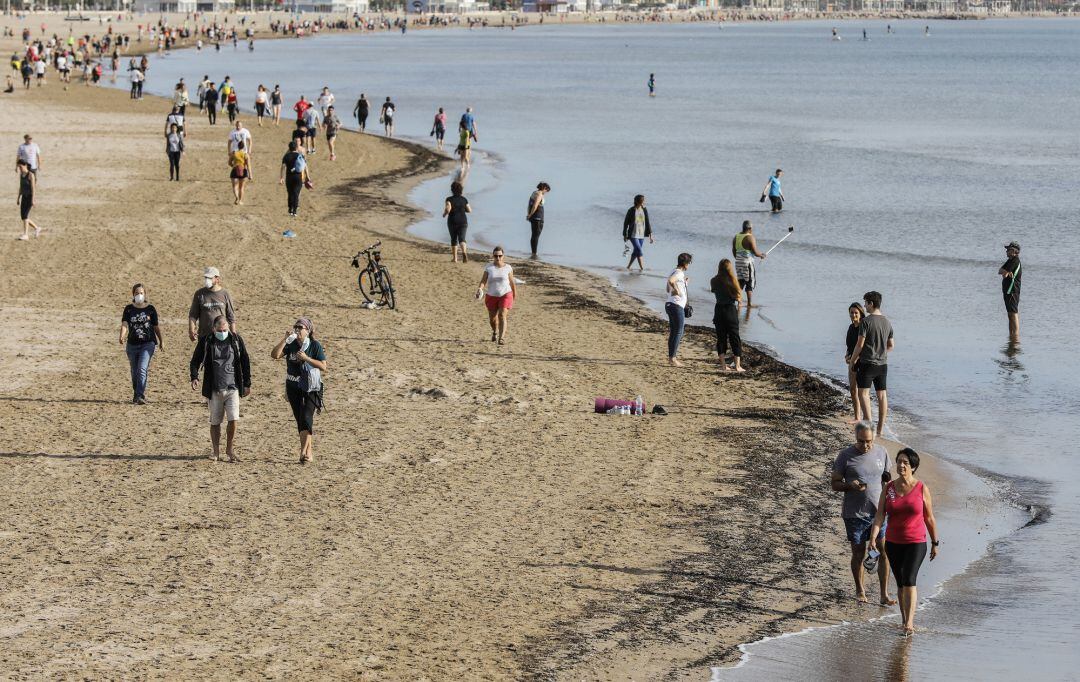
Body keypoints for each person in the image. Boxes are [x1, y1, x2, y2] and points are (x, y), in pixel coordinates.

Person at [868, 448, 939, 636]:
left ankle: (909, 623)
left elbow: (929, 518)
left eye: (905, 462)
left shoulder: (922, 488)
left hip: (916, 542)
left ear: (913, 467)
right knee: (900, 583)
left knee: (909, 579)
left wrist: (935, 542)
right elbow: (879, 516)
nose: (901, 465)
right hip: (893, 543)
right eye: (899, 461)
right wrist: (873, 537)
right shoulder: (889, 488)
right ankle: (903, 619)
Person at [830, 422, 895, 606]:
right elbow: (834, 483)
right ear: (855, 438)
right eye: (861, 441)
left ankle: (884, 594)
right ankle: (860, 589)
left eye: (868, 441)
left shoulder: (882, 451)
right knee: (858, 553)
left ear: (873, 438)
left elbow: (886, 476)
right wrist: (849, 486)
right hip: (854, 514)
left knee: (882, 552)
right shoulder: (845, 456)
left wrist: (888, 484)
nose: (865, 446)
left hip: (879, 513)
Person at [190, 315, 251, 463]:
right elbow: (195, 360)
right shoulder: (207, 341)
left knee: (233, 419)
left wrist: (247, 383)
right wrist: (194, 376)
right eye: (220, 330)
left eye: (225, 329)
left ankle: (229, 449)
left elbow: (245, 360)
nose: (222, 332)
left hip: (233, 387)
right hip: (214, 388)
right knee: (215, 421)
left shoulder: (236, 340)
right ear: (213, 329)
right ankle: (216, 451)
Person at [270, 317, 327, 464]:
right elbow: (275, 355)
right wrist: (284, 339)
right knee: (300, 419)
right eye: (296, 327)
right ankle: (308, 451)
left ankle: (302, 452)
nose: (297, 330)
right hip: (293, 386)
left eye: (300, 328)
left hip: (311, 387)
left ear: (308, 330)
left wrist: (307, 358)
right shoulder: (291, 345)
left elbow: (323, 366)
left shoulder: (315, 345)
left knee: (307, 417)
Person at [848, 291, 894, 437]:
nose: (865, 306)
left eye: (866, 303)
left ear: (871, 303)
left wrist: (853, 360)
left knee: (863, 393)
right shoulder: (887, 321)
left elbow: (859, 345)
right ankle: (880, 430)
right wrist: (881, 353)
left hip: (867, 364)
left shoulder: (866, 322)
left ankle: (868, 426)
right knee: (882, 396)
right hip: (882, 365)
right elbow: (891, 345)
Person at [120, 283, 162, 404]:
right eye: (137, 293)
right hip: (132, 344)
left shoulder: (150, 309)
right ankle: (136, 393)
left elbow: (156, 326)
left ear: (145, 294)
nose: (139, 295)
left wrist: (161, 340)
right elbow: (125, 323)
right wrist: (122, 335)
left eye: (141, 293)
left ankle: (140, 395)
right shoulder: (129, 309)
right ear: (133, 294)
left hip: (147, 343)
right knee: (134, 371)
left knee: (142, 369)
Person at [476, 246, 517, 345]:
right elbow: (483, 280)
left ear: (503, 256)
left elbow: (512, 283)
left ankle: (501, 338)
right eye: (496, 256)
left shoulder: (508, 268)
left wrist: (514, 295)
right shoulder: (489, 267)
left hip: (506, 294)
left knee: (502, 315)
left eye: (500, 256)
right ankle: (495, 331)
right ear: (493, 256)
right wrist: (480, 289)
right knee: (493, 319)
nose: (498, 258)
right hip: (491, 295)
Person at [710, 259, 744, 372]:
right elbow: (738, 297)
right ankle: (737, 365)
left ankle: (723, 365)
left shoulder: (713, 280)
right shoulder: (732, 281)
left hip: (718, 310)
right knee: (735, 337)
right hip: (730, 310)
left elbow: (714, 291)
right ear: (730, 269)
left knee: (721, 338)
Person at [188, 266, 237, 341]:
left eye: (210, 278)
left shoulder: (225, 294)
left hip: (221, 336)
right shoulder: (199, 294)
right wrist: (191, 331)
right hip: (204, 337)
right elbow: (193, 315)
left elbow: (231, 317)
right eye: (206, 278)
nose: (207, 280)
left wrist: (233, 333)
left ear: (217, 279)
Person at [665, 252, 692, 366]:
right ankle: (673, 358)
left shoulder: (674, 271)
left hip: (670, 305)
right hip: (676, 306)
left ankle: (671, 357)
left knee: (674, 332)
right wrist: (677, 290)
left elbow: (667, 289)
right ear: (685, 263)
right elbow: (671, 281)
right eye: (689, 263)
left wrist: (683, 284)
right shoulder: (679, 273)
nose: (689, 266)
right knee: (679, 332)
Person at [732, 220, 766, 309]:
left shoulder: (736, 237)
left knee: (740, 281)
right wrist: (762, 255)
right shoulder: (750, 237)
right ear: (750, 228)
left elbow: (734, 250)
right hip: (747, 263)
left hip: (738, 262)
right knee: (749, 282)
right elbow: (755, 252)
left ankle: (739, 302)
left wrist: (738, 258)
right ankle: (749, 303)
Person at [844, 302, 867, 423]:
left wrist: (855, 358)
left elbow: (864, 346)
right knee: (853, 389)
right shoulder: (850, 327)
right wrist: (847, 356)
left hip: (862, 362)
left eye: (856, 313)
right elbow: (849, 345)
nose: (853, 315)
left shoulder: (864, 327)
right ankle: (857, 417)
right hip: (851, 362)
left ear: (861, 313)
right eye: (851, 313)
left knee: (862, 392)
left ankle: (866, 417)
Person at [622, 194, 654, 271]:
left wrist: (650, 235)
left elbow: (647, 222)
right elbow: (626, 223)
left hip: (641, 234)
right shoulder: (631, 210)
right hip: (633, 234)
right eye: (643, 201)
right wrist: (625, 234)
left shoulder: (644, 210)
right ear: (639, 201)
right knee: (639, 249)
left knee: (636, 251)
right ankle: (642, 268)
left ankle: (629, 267)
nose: (644, 202)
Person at [443, 180, 471, 263]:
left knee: (454, 239)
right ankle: (464, 253)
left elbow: (448, 208)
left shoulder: (449, 199)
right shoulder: (464, 199)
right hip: (463, 221)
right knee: (462, 239)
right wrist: (462, 209)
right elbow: (469, 210)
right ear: (461, 190)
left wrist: (444, 214)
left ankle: (455, 259)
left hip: (453, 221)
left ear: (452, 190)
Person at [279, 140, 309, 217]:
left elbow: (283, 167)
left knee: (290, 193)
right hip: (298, 177)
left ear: (289, 148)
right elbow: (304, 167)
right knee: (296, 193)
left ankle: (290, 209)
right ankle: (295, 211)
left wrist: (281, 177)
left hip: (289, 177)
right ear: (296, 147)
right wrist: (307, 177)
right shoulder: (300, 155)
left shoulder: (286, 156)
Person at [999, 241, 1021, 340]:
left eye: (1008, 249)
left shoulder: (1015, 260)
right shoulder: (1010, 260)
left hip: (1012, 290)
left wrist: (1006, 272)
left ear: (1013, 251)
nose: (1006, 251)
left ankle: (1015, 337)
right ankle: (1011, 336)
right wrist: (1006, 271)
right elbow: (1000, 271)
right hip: (1007, 290)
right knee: (1009, 314)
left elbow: (1004, 274)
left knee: (1013, 313)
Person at [15, 159, 40, 241]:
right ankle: (37, 228)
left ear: (25, 165)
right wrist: (18, 198)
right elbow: (20, 187)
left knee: (25, 216)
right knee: (23, 217)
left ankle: (26, 235)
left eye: (20, 167)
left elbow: (33, 188)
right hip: (24, 197)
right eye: (19, 167)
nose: (20, 168)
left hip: (29, 197)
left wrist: (33, 200)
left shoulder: (31, 175)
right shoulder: (21, 174)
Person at [526, 182, 550, 257]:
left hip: (534, 217)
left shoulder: (534, 193)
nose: (546, 193)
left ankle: (534, 252)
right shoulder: (539, 194)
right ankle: (534, 253)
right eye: (546, 191)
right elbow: (535, 205)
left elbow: (529, 205)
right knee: (536, 236)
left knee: (534, 235)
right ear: (544, 188)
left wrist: (529, 214)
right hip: (538, 217)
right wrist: (530, 215)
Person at [229, 140, 250, 205]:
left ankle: (236, 197)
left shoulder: (234, 153)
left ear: (238, 146)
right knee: (241, 187)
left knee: (235, 186)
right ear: (243, 147)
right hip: (243, 170)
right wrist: (250, 175)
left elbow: (229, 163)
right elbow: (248, 165)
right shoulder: (245, 154)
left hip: (235, 170)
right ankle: (240, 201)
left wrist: (233, 166)